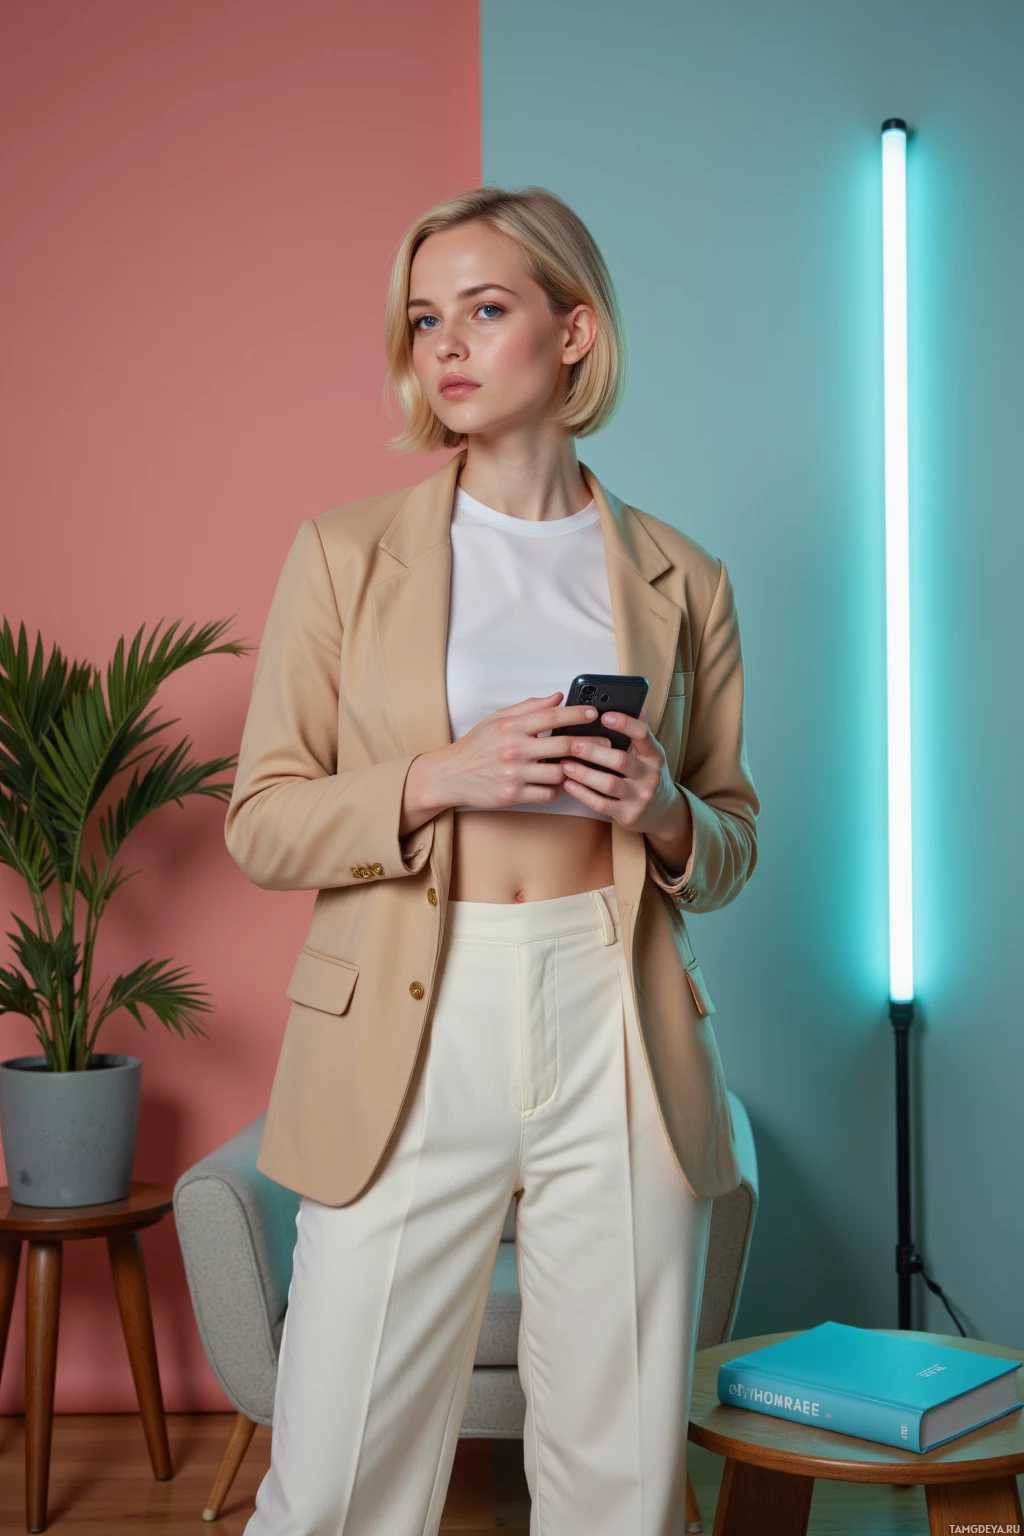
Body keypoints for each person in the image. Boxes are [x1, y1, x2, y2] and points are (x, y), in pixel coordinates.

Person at [226, 183, 760, 1536]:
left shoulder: (682, 579)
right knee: (339, 1476)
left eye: (486, 309)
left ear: (573, 333)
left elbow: (734, 833)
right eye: (424, 319)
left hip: (618, 1020)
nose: (447, 346)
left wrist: (663, 814)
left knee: (621, 1486)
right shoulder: (347, 557)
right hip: (415, 1002)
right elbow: (264, 818)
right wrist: (432, 780)